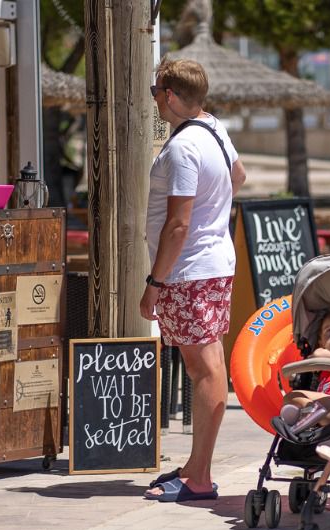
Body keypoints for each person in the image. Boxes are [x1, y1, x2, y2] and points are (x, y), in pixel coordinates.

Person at [141, 59, 247, 503]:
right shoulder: (215, 129)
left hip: (189, 272)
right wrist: (214, 211)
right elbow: (238, 177)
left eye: (154, 93)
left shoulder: (184, 146)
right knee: (207, 366)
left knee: (203, 370)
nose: (155, 101)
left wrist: (155, 283)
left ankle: (200, 476)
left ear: (167, 94)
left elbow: (178, 225)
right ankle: (194, 465)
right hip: (213, 265)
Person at [275, 308, 330, 436]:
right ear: (320, 341)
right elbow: (316, 355)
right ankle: (307, 415)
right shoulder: (322, 358)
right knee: (291, 397)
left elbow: (318, 354)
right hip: (326, 410)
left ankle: (305, 416)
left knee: (295, 395)